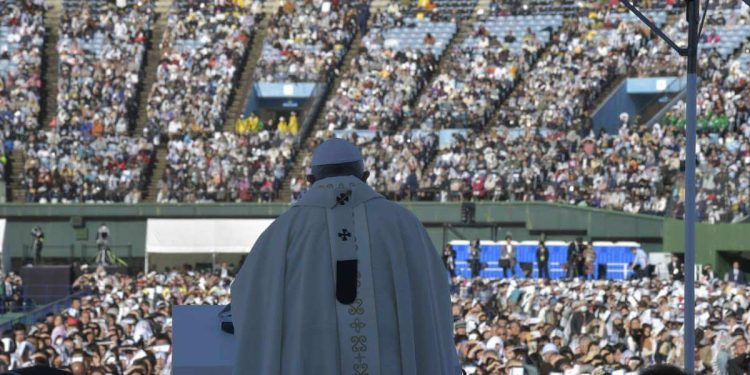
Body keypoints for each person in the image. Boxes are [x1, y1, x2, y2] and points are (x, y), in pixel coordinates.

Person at [231, 138, 460, 374]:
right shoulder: (403, 224)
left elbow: (247, 300)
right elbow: (433, 300)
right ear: (365, 176)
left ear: (310, 181)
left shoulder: (283, 231)